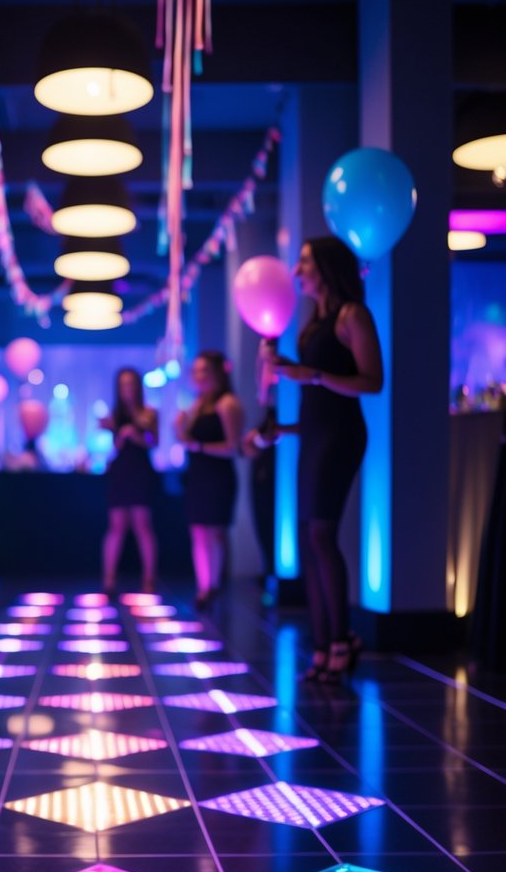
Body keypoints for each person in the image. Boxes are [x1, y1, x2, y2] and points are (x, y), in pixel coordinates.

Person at [259, 235, 383, 682]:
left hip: (342, 435)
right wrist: (284, 427)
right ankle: (323, 641)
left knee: (322, 537)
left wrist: (310, 373)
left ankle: (341, 639)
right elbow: (314, 393)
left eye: (305, 262)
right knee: (310, 539)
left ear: (328, 267)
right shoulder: (314, 322)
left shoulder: (354, 316)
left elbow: (372, 382)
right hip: (313, 436)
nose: (296, 272)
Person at [175, 351, 244, 609]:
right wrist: (179, 428)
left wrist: (200, 447)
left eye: (204, 370)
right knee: (198, 532)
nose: (198, 376)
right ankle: (203, 586)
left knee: (215, 532)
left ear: (217, 372)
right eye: (196, 370)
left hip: (218, 475)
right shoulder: (196, 405)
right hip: (197, 475)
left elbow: (233, 446)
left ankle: (215, 585)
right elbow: (187, 442)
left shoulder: (227, 404)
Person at [99, 367, 159, 596]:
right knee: (116, 526)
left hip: (141, 471)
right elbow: (113, 448)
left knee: (143, 525)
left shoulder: (149, 413)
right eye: (123, 385)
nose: (128, 389)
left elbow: (154, 442)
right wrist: (118, 432)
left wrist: (135, 434)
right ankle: (109, 579)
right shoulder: (114, 415)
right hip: (120, 472)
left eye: (131, 384)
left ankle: (149, 579)